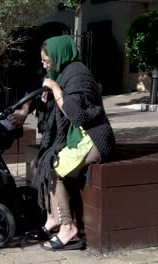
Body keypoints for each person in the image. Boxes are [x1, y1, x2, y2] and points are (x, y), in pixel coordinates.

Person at [9, 35, 116, 251]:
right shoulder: (60, 72)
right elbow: (36, 87)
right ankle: (52, 219)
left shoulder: (78, 75)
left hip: (92, 138)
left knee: (55, 168)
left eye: (47, 60)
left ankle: (68, 227)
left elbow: (76, 116)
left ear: (59, 55)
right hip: (76, 137)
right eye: (42, 60)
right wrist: (24, 109)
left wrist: (57, 90)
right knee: (46, 159)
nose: (44, 64)